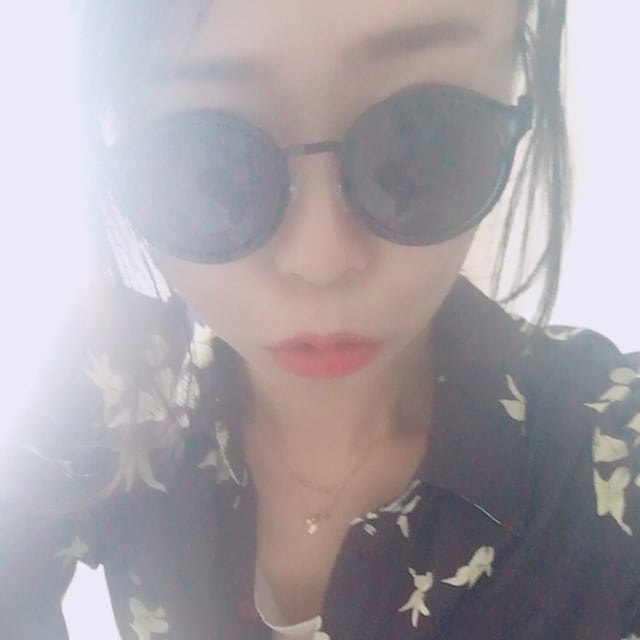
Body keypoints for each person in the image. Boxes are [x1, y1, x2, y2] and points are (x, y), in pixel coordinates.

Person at [1, 1, 639, 638]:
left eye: (424, 139)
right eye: (210, 167)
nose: (321, 260)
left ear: (516, 96)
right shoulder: (120, 394)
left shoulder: (612, 455)